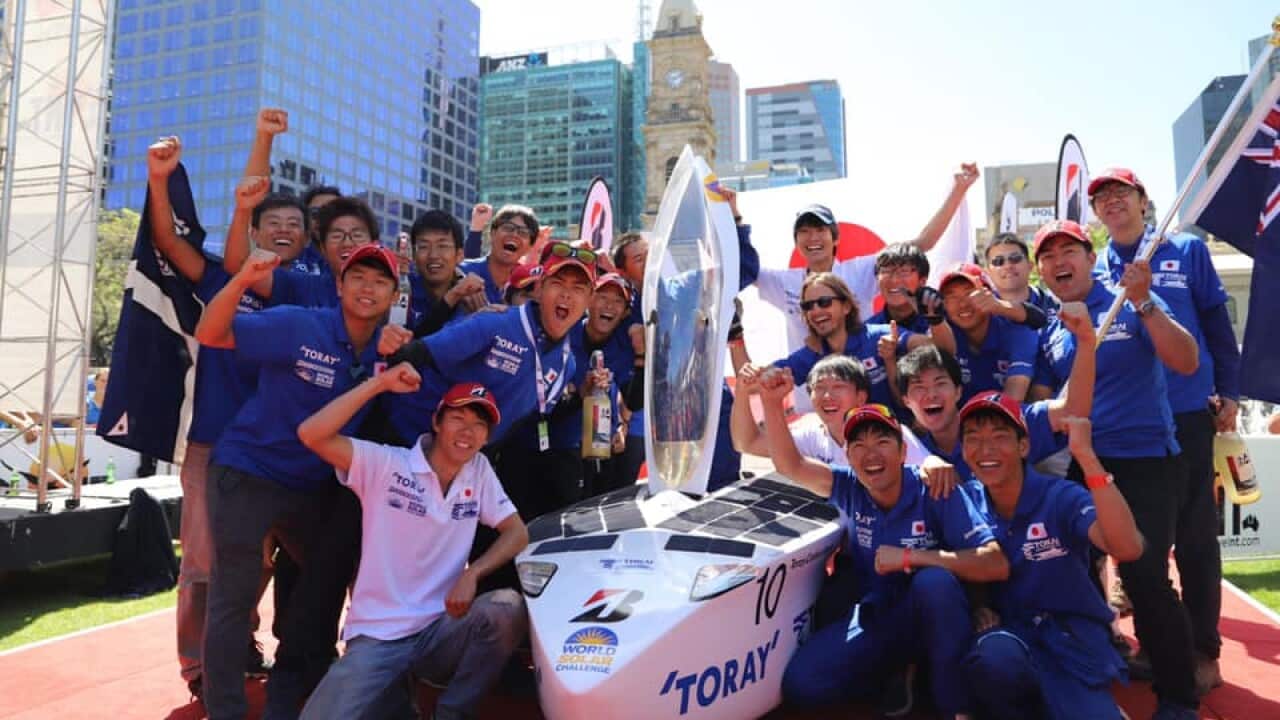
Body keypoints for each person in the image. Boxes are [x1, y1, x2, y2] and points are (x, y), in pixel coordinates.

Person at [193, 243, 399, 720]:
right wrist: (243, 278)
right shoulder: (299, 323)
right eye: (358, 278)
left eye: (380, 281)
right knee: (234, 594)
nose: (368, 289)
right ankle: (225, 712)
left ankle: (310, 678)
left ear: (392, 294)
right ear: (340, 286)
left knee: (331, 579)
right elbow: (211, 332)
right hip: (249, 472)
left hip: (311, 488)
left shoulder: (387, 350)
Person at [145, 134, 311, 697]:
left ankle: (241, 641)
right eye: (273, 222)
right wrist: (159, 177)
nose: (283, 230)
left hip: (273, 451)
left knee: (257, 559)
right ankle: (197, 667)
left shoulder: (305, 294)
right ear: (255, 231)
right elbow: (166, 238)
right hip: (213, 444)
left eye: (294, 224)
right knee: (201, 564)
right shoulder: (218, 278)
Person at [756, 369, 1006, 719]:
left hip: (941, 615)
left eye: (882, 442)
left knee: (933, 583)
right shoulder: (849, 485)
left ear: (904, 451)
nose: (870, 453)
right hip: (881, 614)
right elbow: (790, 464)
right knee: (803, 685)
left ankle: (956, 707)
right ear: (848, 454)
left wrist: (912, 557)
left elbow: (994, 562)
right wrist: (770, 401)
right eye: (858, 444)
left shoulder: (935, 488)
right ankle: (898, 670)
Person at [1030, 218, 1202, 719]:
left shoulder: (1129, 299)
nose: (1060, 262)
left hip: (1146, 461)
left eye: (1070, 251)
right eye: (1049, 256)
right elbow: (1045, 401)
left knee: (1145, 575)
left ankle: (1178, 698)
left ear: (1090, 257)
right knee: (1069, 570)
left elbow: (1187, 360)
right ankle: (1098, 664)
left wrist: (1145, 302)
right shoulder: (1050, 325)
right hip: (1082, 464)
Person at [295, 372, 528, 720]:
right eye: (458, 418)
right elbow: (311, 434)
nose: (467, 432)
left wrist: (474, 573)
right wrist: (378, 385)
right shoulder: (387, 464)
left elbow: (517, 532)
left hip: (440, 631)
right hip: (378, 637)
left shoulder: (477, 470)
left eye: (478, 425)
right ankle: (399, 699)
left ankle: (449, 715)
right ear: (436, 421)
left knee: (506, 608)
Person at [1090, 168, 1240, 693]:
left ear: (1142, 200)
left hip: (1188, 415)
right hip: (1130, 428)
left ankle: (1204, 650)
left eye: (1120, 193)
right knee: (1141, 548)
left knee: (1197, 537)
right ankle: (1157, 645)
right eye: (1101, 197)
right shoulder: (1096, 267)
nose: (1111, 203)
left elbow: (1218, 328)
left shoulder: (1187, 250)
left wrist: (1232, 393)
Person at [959, 396, 1143, 720]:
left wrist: (1087, 458)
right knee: (993, 656)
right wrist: (978, 605)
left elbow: (1127, 548)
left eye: (999, 436)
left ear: (1024, 446)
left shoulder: (1060, 496)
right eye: (973, 437)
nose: (985, 448)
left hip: (1072, 639)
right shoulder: (963, 501)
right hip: (1012, 638)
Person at [384, 240, 597, 449]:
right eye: (557, 284)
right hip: (408, 439)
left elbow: (530, 419)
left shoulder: (566, 362)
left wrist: (581, 396)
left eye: (578, 288)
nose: (566, 295)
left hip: (468, 455)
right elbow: (410, 355)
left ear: (590, 300)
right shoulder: (494, 322)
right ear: (540, 289)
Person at [753, 165, 980, 350]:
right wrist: (732, 216)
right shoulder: (783, 282)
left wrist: (958, 190)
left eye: (820, 230)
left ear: (835, 239)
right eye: (804, 232)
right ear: (796, 242)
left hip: (861, 389)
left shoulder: (860, 270)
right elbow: (740, 269)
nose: (813, 238)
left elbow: (924, 243)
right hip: (809, 398)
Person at [492, 270, 638, 516]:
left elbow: (630, 397)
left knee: (576, 523)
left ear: (625, 312)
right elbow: (540, 402)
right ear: (590, 300)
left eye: (618, 301)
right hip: (530, 444)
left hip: (585, 450)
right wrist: (580, 392)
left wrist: (620, 423)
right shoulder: (563, 333)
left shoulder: (622, 347)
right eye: (603, 296)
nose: (609, 306)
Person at [757, 273, 943, 413]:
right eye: (808, 306)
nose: (815, 310)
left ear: (846, 306)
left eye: (824, 302)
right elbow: (763, 378)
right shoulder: (811, 355)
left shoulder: (879, 335)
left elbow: (939, 349)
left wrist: (934, 320)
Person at [732, 355, 931, 466]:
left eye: (838, 387)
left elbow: (931, 469)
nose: (827, 396)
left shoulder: (892, 433)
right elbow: (747, 444)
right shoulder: (811, 436)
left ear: (861, 397)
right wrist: (742, 391)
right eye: (819, 388)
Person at [937, 262, 1041, 403]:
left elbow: (1012, 401)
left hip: (1008, 420)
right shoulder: (942, 330)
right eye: (952, 297)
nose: (962, 304)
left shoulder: (1016, 330)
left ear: (990, 295)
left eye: (970, 293)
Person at [405, 210, 485, 336]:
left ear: (459, 255)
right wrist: (454, 295)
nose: (433, 255)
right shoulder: (403, 288)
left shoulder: (473, 295)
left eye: (443, 246)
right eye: (424, 247)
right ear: (414, 255)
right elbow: (409, 346)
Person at [457, 204, 540, 305]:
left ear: (529, 247)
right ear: (492, 233)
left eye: (523, 233)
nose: (514, 235)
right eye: (508, 228)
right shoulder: (462, 272)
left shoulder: (531, 285)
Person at [865, 244, 934, 334]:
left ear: (922, 281)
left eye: (904, 271)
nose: (894, 280)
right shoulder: (866, 333)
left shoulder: (940, 325)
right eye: (886, 271)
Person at [984, 232, 1057, 316]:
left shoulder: (1055, 305)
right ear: (988, 272)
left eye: (1015, 258)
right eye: (998, 261)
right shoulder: (980, 314)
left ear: (1030, 266)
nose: (1008, 266)